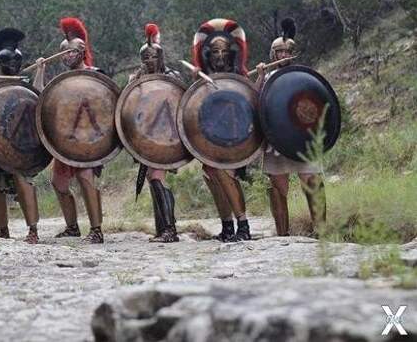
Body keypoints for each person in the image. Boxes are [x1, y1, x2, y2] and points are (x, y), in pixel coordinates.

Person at [33, 17, 105, 244]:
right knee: (59, 184)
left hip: (89, 139)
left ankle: (96, 230)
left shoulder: (95, 74)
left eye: (71, 52)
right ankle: (72, 227)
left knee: (86, 179)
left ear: (82, 52)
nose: (67, 57)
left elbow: (107, 105)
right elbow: (39, 97)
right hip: (65, 140)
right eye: (63, 53)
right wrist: (40, 70)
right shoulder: (61, 81)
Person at [255, 18, 327, 236]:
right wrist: (259, 77)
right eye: (279, 52)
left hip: (302, 139)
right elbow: (254, 99)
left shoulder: (302, 75)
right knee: (278, 188)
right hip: (275, 139)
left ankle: (321, 230)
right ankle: (282, 234)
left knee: (312, 180)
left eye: (287, 52)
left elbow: (316, 104)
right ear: (273, 55)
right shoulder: (266, 77)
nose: (283, 56)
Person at [0, 28, 41, 243]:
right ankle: (2, 230)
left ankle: (33, 230)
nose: (13, 65)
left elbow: (38, 98)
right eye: (8, 62)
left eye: (16, 62)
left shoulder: (22, 83)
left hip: (20, 142)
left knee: (22, 180)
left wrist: (40, 70)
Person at [191, 18, 252, 241]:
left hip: (236, 135)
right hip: (210, 136)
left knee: (227, 176)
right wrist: (195, 82)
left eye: (223, 50)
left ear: (231, 52)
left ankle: (243, 226)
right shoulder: (202, 79)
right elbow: (195, 107)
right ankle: (227, 226)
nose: (219, 55)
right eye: (214, 51)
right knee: (211, 176)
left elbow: (250, 102)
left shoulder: (239, 76)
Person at [129, 23, 180, 242]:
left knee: (157, 177)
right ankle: (163, 229)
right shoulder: (139, 80)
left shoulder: (172, 76)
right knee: (152, 177)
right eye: (145, 57)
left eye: (152, 56)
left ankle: (169, 230)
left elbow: (180, 104)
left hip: (168, 137)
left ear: (160, 57)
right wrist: (133, 84)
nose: (149, 60)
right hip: (148, 137)